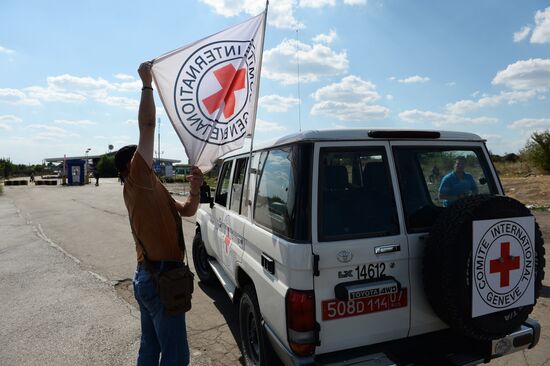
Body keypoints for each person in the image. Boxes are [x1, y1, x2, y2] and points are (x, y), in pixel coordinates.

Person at [116, 61, 203, 366]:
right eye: (140, 157)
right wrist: (146, 83)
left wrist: (195, 189)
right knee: (177, 357)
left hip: (151, 277)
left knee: (150, 349)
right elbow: (148, 126)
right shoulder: (137, 180)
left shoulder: (152, 187)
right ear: (131, 166)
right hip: (159, 278)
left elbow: (187, 211)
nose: (146, 158)